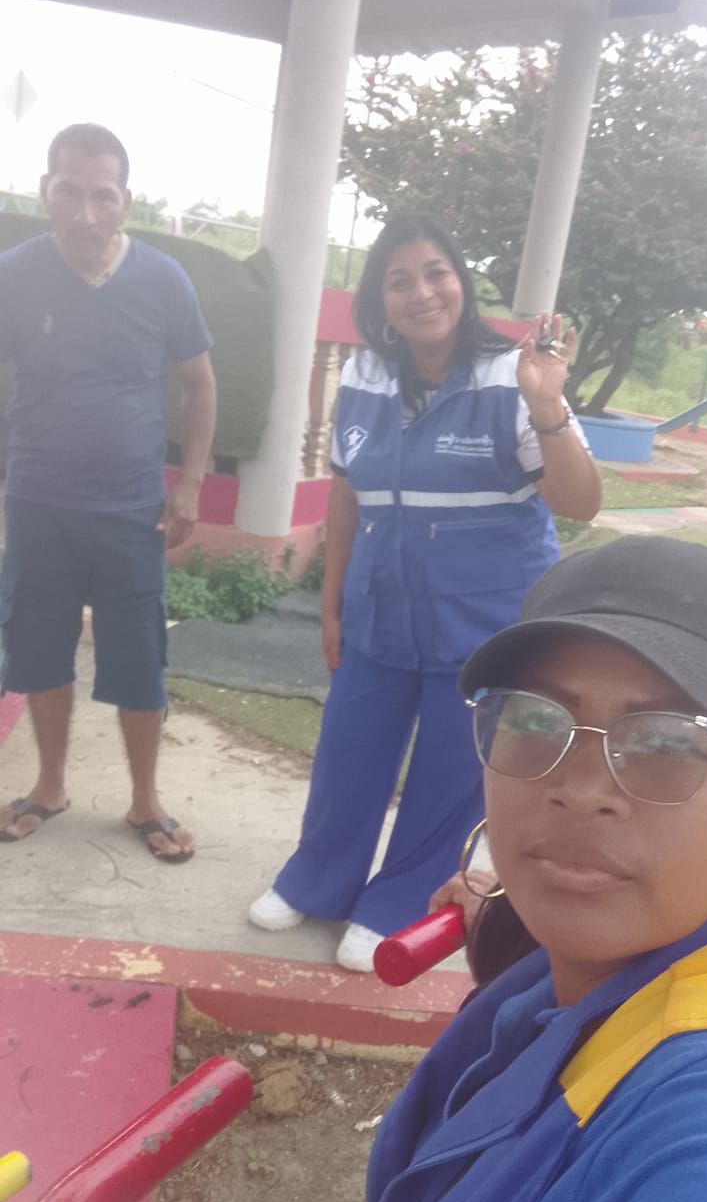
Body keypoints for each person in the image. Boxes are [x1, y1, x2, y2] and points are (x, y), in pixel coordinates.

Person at [364, 534, 707, 1202]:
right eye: (535, 720)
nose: (578, 790)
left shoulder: (695, 1125)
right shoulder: (599, 956)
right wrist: (514, 928)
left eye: (669, 743)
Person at [250, 212, 600, 969]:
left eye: (436, 273)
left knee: (449, 774)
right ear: (381, 298)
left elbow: (582, 501)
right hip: (381, 610)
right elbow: (346, 493)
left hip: (485, 621)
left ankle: (400, 900)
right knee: (348, 755)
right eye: (399, 280)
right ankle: (318, 880)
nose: (422, 293)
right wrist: (332, 604)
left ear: (461, 282)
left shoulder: (511, 375)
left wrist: (547, 403)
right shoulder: (366, 374)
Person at [0, 123, 216, 860]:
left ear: (125, 199)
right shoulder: (15, 273)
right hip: (38, 502)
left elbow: (199, 383)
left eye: (103, 195)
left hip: (132, 507)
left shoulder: (163, 279)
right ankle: (49, 786)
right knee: (39, 647)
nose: (85, 213)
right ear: (46, 193)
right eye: (69, 193)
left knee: (138, 655)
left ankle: (144, 800)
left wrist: (190, 485)